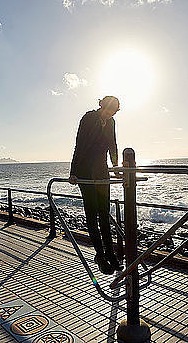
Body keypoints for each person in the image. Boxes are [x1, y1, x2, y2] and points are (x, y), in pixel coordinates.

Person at [69, 96, 122, 275]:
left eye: (113, 112)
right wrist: (73, 171)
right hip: (84, 171)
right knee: (92, 214)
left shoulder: (112, 122)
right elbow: (79, 144)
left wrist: (115, 167)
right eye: (107, 111)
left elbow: (112, 145)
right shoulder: (88, 118)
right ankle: (99, 256)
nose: (109, 115)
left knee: (104, 214)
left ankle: (110, 254)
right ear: (101, 106)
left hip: (101, 171)